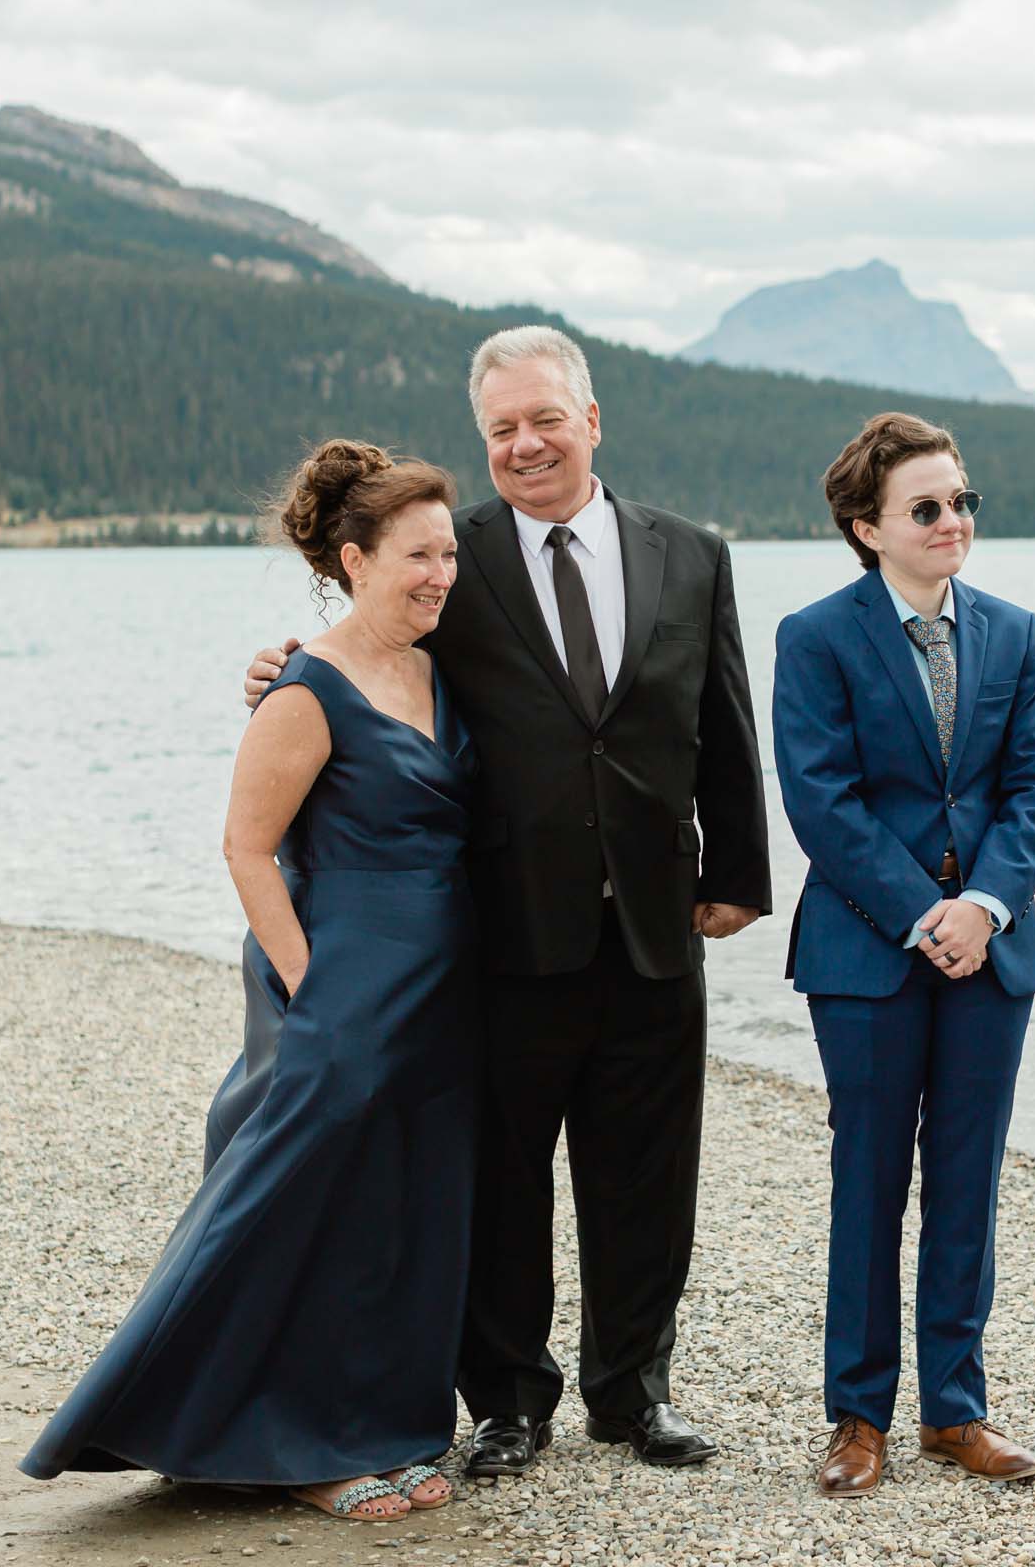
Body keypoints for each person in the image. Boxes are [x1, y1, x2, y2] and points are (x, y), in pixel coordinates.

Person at [243, 326, 770, 1474]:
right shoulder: (451, 557)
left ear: (592, 420)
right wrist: (282, 672)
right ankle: (508, 1401)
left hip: (652, 926)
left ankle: (632, 1395)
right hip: (501, 928)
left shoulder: (691, 554)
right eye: (500, 429)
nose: (524, 444)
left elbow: (721, 717)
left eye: (543, 420)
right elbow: (368, 659)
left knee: (647, 1177)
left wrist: (737, 871)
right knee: (501, 1179)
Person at [21, 440, 477, 1523]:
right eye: (418, 555)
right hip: (341, 981)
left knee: (406, 1211)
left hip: (442, 982)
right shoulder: (304, 688)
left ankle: (385, 1426)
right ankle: (297, 1450)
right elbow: (246, 846)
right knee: (303, 1209)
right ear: (355, 560)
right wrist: (312, 991)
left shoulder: (437, 667)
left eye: (449, 553)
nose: (440, 574)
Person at [771, 411, 1035, 1499]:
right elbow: (821, 799)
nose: (952, 521)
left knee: (967, 1180)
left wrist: (982, 907)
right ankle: (858, 1418)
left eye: (961, 501)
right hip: (866, 951)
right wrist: (920, 914)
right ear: (867, 527)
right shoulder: (815, 636)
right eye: (926, 507)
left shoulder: (1015, 633)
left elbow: (1034, 785)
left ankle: (955, 1410)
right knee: (869, 1178)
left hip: (993, 949)